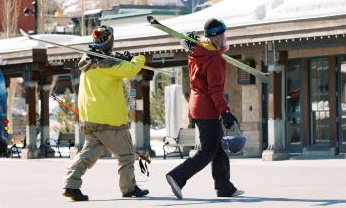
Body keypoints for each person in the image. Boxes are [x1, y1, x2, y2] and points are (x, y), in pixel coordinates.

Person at [62, 25, 149, 201]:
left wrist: (121, 59)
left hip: (90, 117)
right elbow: (130, 69)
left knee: (88, 154)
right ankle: (129, 188)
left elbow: (120, 68)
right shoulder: (108, 63)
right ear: (110, 41)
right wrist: (137, 58)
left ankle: (70, 184)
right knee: (126, 154)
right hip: (109, 119)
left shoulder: (88, 62)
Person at [165, 18, 244, 200]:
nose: (225, 38)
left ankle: (224, 187)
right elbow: (215, 89)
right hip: (207, 108)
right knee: (209, 150)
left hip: (197, 105)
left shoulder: (197, 54)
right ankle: (177, 176)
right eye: (223, 35)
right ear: (216, 38)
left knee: (217, 148)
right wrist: (224, 112)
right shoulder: (214, 59)